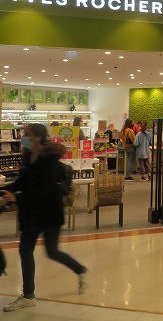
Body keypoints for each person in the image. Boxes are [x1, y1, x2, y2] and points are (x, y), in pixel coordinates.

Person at [0, 123, 88, 312]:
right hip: (32, 213)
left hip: (49, 212)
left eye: (27, 134)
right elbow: (24, 180)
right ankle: (28, 295)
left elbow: (44, 188)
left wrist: (17, 198)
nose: (23, 137)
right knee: (25, 251)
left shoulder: (49, 159)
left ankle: (80, 269)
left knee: (52, 251)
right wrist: (6, 190)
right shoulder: (29, 154)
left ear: (38, 137)